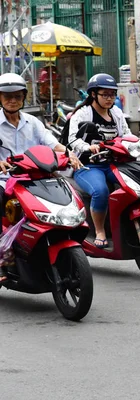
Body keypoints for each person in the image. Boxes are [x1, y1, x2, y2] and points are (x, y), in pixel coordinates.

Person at [0, 73, 83, 282]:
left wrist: (69, 153)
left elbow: (51, 142)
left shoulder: (32, 122)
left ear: (23, 98)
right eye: (7, 96)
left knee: (67, 193)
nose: (12, 100)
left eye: (17, 96)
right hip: (5, 180)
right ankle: (3, 258)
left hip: (35, 178)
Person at [67, 73, 140, 249]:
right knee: (100, 191)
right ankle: (100, 231)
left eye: (112, 94)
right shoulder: (83, 113)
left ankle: (131, 222)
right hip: (88, 166)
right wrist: (87, 147)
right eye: (105, 94)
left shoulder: (116, 112)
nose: (109, 99)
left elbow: (126, 135)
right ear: (94, 94)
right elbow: (72, 140)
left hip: (115, 164)